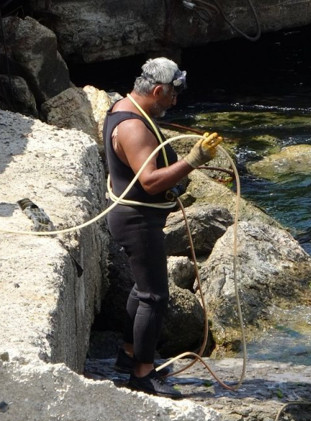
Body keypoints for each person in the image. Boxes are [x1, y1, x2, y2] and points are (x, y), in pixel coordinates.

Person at [103, 57, 222, 399]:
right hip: (137, 221)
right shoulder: (133, 127)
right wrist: (194, 160)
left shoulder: (125, 108)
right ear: (157, 91)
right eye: (172, 94)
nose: (175, 101)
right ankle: (142, 374)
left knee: (141, 290)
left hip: (136, 216)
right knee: (154, 297)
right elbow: (151, 181)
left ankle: (128, 355)